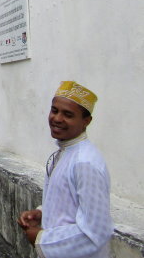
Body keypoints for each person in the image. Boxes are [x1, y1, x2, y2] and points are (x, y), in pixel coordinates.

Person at [17, 81, 114, 258]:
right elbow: (68, 205)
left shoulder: (85, 162)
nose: (57, 118)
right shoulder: (66, 152)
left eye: (68, 114)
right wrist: (41, 213)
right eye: (54, 110)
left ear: (86, 121)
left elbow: (95, 232)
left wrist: (41, 238)